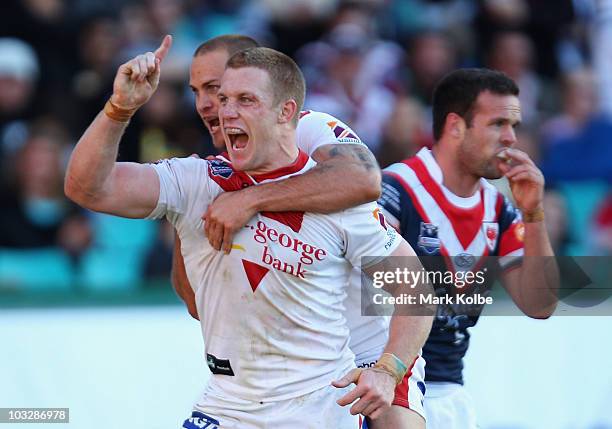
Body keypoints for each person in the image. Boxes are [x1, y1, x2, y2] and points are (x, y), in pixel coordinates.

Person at [64, 38, 433, 428]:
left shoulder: (330, 172)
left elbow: (415, 287)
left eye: (243, 99)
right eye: (217, 97)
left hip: (326, 400)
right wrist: (120, 108)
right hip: (227, 406)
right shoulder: (196, 180)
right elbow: (87, 187)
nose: (220, 110)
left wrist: (388, 369)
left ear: (286, 111)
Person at [173, 34, 428, 428]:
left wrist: (252, 200)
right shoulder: (212, 173)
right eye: (200, 92)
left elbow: (363, 179)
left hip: (373, 339)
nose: (210, 104)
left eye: (218, 89)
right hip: (299, 370)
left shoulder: (308, 127)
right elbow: (194, 302)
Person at [377, 68, 559, 429]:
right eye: (497, 124)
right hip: (388, 383)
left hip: (451, 390)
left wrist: (533, 214)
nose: (510, 138)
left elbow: (540, 304)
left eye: (514, 126)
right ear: (456, 125)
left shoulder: (499, 209)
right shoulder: (393, 190)